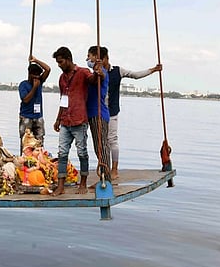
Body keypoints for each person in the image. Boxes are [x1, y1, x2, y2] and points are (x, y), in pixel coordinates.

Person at [101, 47, 162, 179]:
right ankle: (104, 168)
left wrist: (153, 70)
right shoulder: (96, 73)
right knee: (101, 141)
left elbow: (135, 75)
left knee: (112, 140)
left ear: (106, 58)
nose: (98, 62)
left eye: (101, 59)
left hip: (112, 111)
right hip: (99, 112)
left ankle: (114, 169)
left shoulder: (117, 71)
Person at [51, 46, 105, 196]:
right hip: (65, 120)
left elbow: (93, 80)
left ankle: (83, 183)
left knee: (82, 152)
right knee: (62, 153)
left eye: (61, 62)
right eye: (58, 63)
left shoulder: (82, 72)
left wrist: (98, 71)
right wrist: (57, 119)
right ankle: (60, 186)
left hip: (79, 120)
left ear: (68, 59)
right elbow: (63, 99)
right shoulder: (62, 78)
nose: (59, 65)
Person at [86, 46, 111, 182]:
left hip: (98, 114)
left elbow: (101, 74)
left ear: (96, 57)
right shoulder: (94, 71)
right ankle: (104, 177)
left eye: (89, 56)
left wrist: (98, 69)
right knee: (99, 147)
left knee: (101, 147)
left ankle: (106, 180)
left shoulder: (102, 71)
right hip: (93, 113)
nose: (88, 59)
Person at [18, 55, 51, 153]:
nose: (37, 77)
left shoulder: (40, 81)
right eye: (35, 75)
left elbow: (48, 69)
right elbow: (26, 100)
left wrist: (36, 60)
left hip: (38, 117)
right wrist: (34, 88)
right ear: (30, 74)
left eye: (38, 75)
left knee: (39, 142)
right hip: (26, 117)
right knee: (25, 143)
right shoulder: (23, 85)